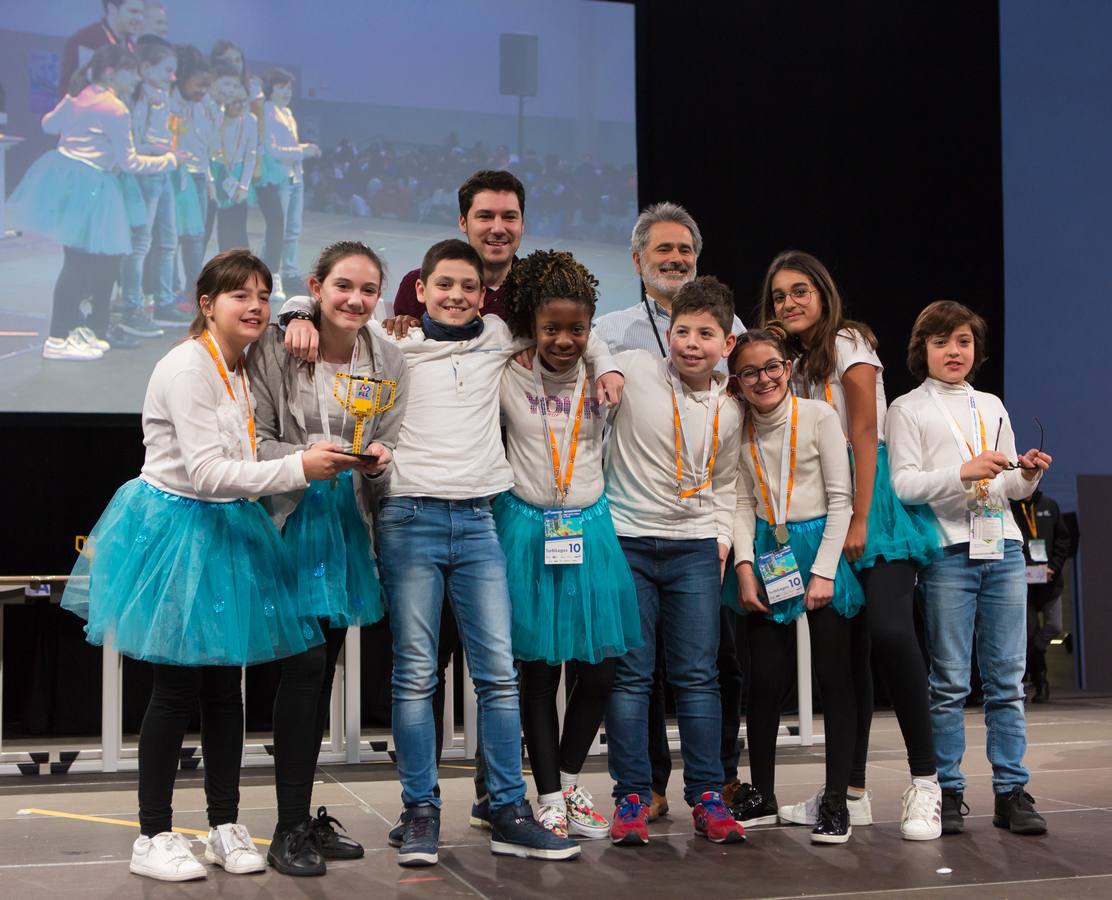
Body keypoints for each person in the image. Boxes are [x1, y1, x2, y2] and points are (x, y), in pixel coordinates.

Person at [280, 238, 623, 866]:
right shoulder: (391, 344)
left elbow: (574, 323)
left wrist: (608, 362)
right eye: (444, 285)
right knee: (415, 675)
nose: (457, 296)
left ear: (483, 295)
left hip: (479, 521)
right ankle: (420, 813)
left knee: (497, 674)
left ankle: (509, 810)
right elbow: (331, 317)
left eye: (468, 286)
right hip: (409, 518)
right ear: (421, 288)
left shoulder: (497, 335)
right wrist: (296, 313)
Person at [59, 249, 356, 882]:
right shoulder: (187, 367)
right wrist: (299, 466)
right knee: (175, 688)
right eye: (239, 296)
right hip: (179, 526)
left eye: (262, 295)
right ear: (206, 304)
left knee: (228, 686)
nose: (254, 306)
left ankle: (224, 822)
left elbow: (310, 311)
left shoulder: (243, 363)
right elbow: (205, 472)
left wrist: (301, 309)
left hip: (229, 525)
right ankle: (154, 834)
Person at [752, 251, 945, 841]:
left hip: (872, 499)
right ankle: (852, 793)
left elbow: (864, 432)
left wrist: (860, 518)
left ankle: (927, 782)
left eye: (800, 290)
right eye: (780, 294)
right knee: (852, 653)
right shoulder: (787, 361)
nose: (789, 302)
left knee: (889, 633)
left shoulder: (846, 344)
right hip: (818, 506)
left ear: (823, 292)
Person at [249, 241, 408, 875]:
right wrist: (301, 462)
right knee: (305, 669)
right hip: (290, 518)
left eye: (368, 291)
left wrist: (382, 464)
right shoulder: (283, 344)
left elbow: (389, 438)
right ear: (316, 286)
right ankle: (286, 828)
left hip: (347, 525)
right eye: (344, 286)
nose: (356, 300)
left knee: (323, 673)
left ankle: (302, 817)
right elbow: (254, 436)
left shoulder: (389, 356)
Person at [594, 201, 747, 818]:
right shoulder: (621, 345)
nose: (691, 342)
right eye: (664, 250)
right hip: (628, 535)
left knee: (700, 676)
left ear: (724, 340)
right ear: (637, 261)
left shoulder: (731, 397)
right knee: (632, 677)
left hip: (694, 546)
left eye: (685, 251)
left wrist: (721, 542)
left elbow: (730, 478)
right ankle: (635, 791)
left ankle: (709, 790)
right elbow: (579, 352)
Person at [887, 300, 1053, 837]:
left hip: (1002, 547)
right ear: (923, 350)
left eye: (962, 341)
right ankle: (949, 791)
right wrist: (963, 470)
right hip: (946, 553)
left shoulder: (992, 404)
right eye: (941, 342)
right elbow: (903, 484)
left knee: (1008, 680)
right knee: (950, 683)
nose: (953, 351)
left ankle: (1011, 791)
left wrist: (1025, 476)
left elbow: (1003, 485)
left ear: (975, 349)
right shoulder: (907, 408)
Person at [496, 250, 641, 840]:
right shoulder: (504, 369)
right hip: (527, 528)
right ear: (532, 322)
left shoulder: (604, 373)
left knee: (602, 669)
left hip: (589, 528)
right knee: (537, 672)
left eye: (576, 329)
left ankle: (572, 780)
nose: (563, 339)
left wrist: (601, 356)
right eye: (551, 327)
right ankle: (548, 795)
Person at [728, 324, 863, 844]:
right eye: (749, 372)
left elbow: (841, 499)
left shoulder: (819, 416)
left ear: (787, 368)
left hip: (819, 545)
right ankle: (761, 793)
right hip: (768, 551)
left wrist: (825, 570)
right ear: (736, 381)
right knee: (763, 680)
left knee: (835, 678)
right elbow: (740, 501)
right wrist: (743, 566)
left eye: (771, 367)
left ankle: (834, 801)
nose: (763, 379)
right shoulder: (737, 427)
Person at [9, 44, 176, 360]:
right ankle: (58, 338)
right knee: (79, 265)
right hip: (93, 184)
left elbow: (48, 125)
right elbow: (129, 162)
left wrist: (72, 107)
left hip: (69, 179)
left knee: (79, 262)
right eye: (131, 72)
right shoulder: (114, 107)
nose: (136, 79)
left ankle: (70, 331)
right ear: (112, 72)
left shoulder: (80, 95)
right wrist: (168, 160)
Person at [391, 169, 525, 321]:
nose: (498, 229)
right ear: (463, 222)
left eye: (509, 217)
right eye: (485, 216)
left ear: (522, 225)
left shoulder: (542, 289)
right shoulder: (418, 284)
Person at [119, 35, 177, 340]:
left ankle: (163, 301)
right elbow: (136, 144)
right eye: (166, 69)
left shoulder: (160, 96)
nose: (172, 76)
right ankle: (131, 305)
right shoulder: (141, 98)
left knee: (167, 241)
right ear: (145, 68)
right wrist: (162, 151)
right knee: (139, 244)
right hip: (147, 174)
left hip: (163, 172)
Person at [160, 45, 215, 325]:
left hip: (196, 177)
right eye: (198, 84)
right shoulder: (167, 102)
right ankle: (166, 292)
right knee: (169, 239)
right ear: (181, 77)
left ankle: (193, 291)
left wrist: (208, 179)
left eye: (207, 85)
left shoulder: (203, 106)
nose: (203, 90)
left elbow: (205, 146)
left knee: (195, 237)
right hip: (172, 175)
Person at [259, 67, 320, 300]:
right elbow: (272, 149)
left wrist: (301, 152)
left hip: (295, 176)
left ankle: (290, 272)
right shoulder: (268, 110)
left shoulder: (287, 112)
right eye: (281, 87)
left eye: (289, 88)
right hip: (279, 176)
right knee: (278, 229)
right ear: (270, 88)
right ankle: (269, 274)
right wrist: (302, 151)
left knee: (293, 229)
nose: (286, 92)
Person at [1010, 490, 1071, 703]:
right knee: (1027, 633)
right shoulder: (1012, 507)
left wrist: (1053, 567)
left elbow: (1064, 540)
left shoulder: (1049, 505)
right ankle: (1040, 682)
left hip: (1049, 582)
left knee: (1053, 627)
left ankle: (1034, 653)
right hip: (1023, 584)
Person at [208, 69, 258, 251]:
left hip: (238, 173)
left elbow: (251, 155)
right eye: (236, 102)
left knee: (238, 227)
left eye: (244, 102)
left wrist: (244, 186)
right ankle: (223, 270)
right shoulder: (217, 117)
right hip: (218, 170)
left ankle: (242, 269)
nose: (240, 106)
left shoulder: (250, 120)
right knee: (222, 226)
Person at [59, 0, 146, 98]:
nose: (140, 19)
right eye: (133, 11)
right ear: (112, 9)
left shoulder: (131, 47)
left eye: (142, 13)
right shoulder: (86, 40)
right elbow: (74, 89)